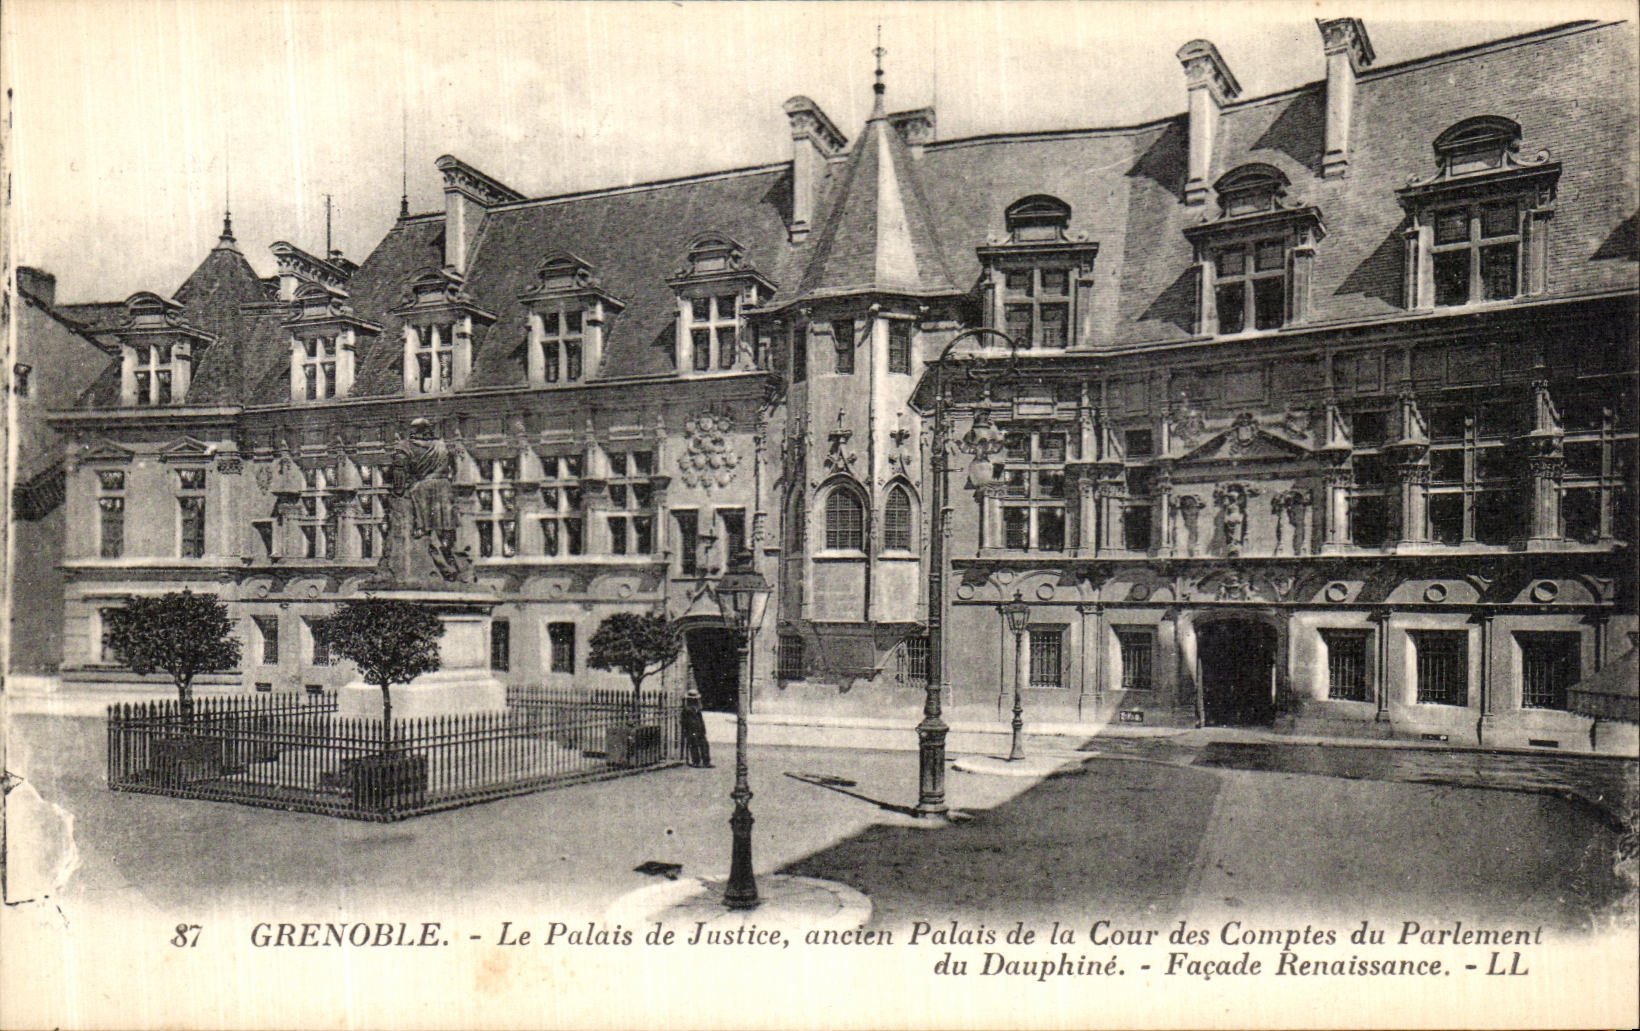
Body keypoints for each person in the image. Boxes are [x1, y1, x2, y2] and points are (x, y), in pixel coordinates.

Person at [681, 687, 712, 768]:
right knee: (694, 744)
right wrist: (686, 730)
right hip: (691, 730)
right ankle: (696, 761)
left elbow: (701, 720)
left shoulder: (697, 709)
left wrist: (703, 728)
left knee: (704, 744)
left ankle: (706, 761)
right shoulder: (686, 710)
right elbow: (683, 721)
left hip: (699, 729)